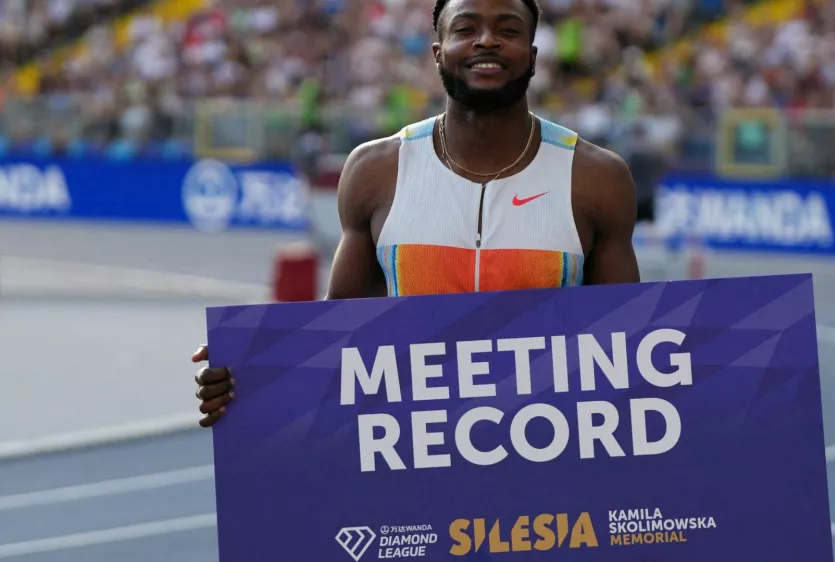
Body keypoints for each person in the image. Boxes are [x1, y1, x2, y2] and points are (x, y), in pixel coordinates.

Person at [192, 0, 642, 428]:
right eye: (466, 29)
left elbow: (630, 347)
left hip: (548, 457)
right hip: (415, 463)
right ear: (438, 53)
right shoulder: (378, 170)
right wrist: (251, 369)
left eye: (508, 30)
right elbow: (340, 333)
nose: (487, 41)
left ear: (534, 54)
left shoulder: (594, 177)